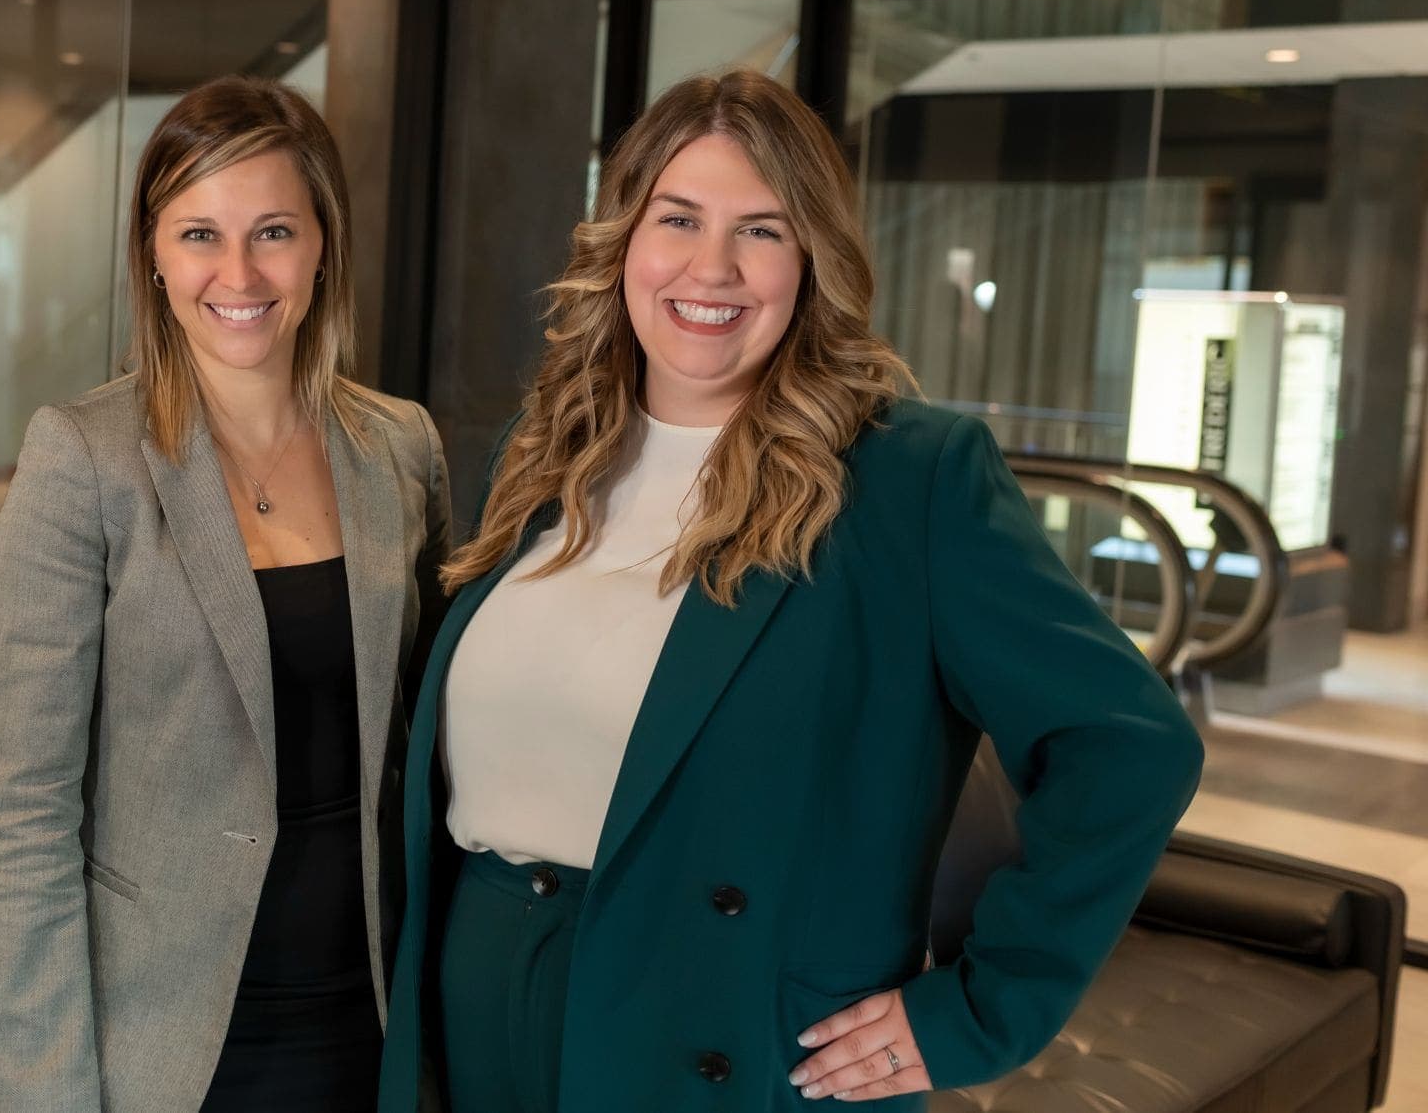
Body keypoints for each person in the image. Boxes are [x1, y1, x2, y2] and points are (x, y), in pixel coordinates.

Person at [377, 69, 1203, 1112]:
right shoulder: (544, 453)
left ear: (810, 261)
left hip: (724, 1028)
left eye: (760, 231)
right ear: (623, 239)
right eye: (677, 218)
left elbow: (1127, 746)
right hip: (484, 995)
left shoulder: (908, 478)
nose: (710, 267)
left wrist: (985, 1008)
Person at [0, 75, 450, 1113]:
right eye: (197, 235)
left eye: (271, 231)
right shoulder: (82, 459)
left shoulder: (400, 447)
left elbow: (425, 747)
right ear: (154, 257)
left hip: (368, 1023)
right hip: (159, 1039)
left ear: (321, 247)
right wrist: (43, 1096)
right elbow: (28, 820)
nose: (237, 272)